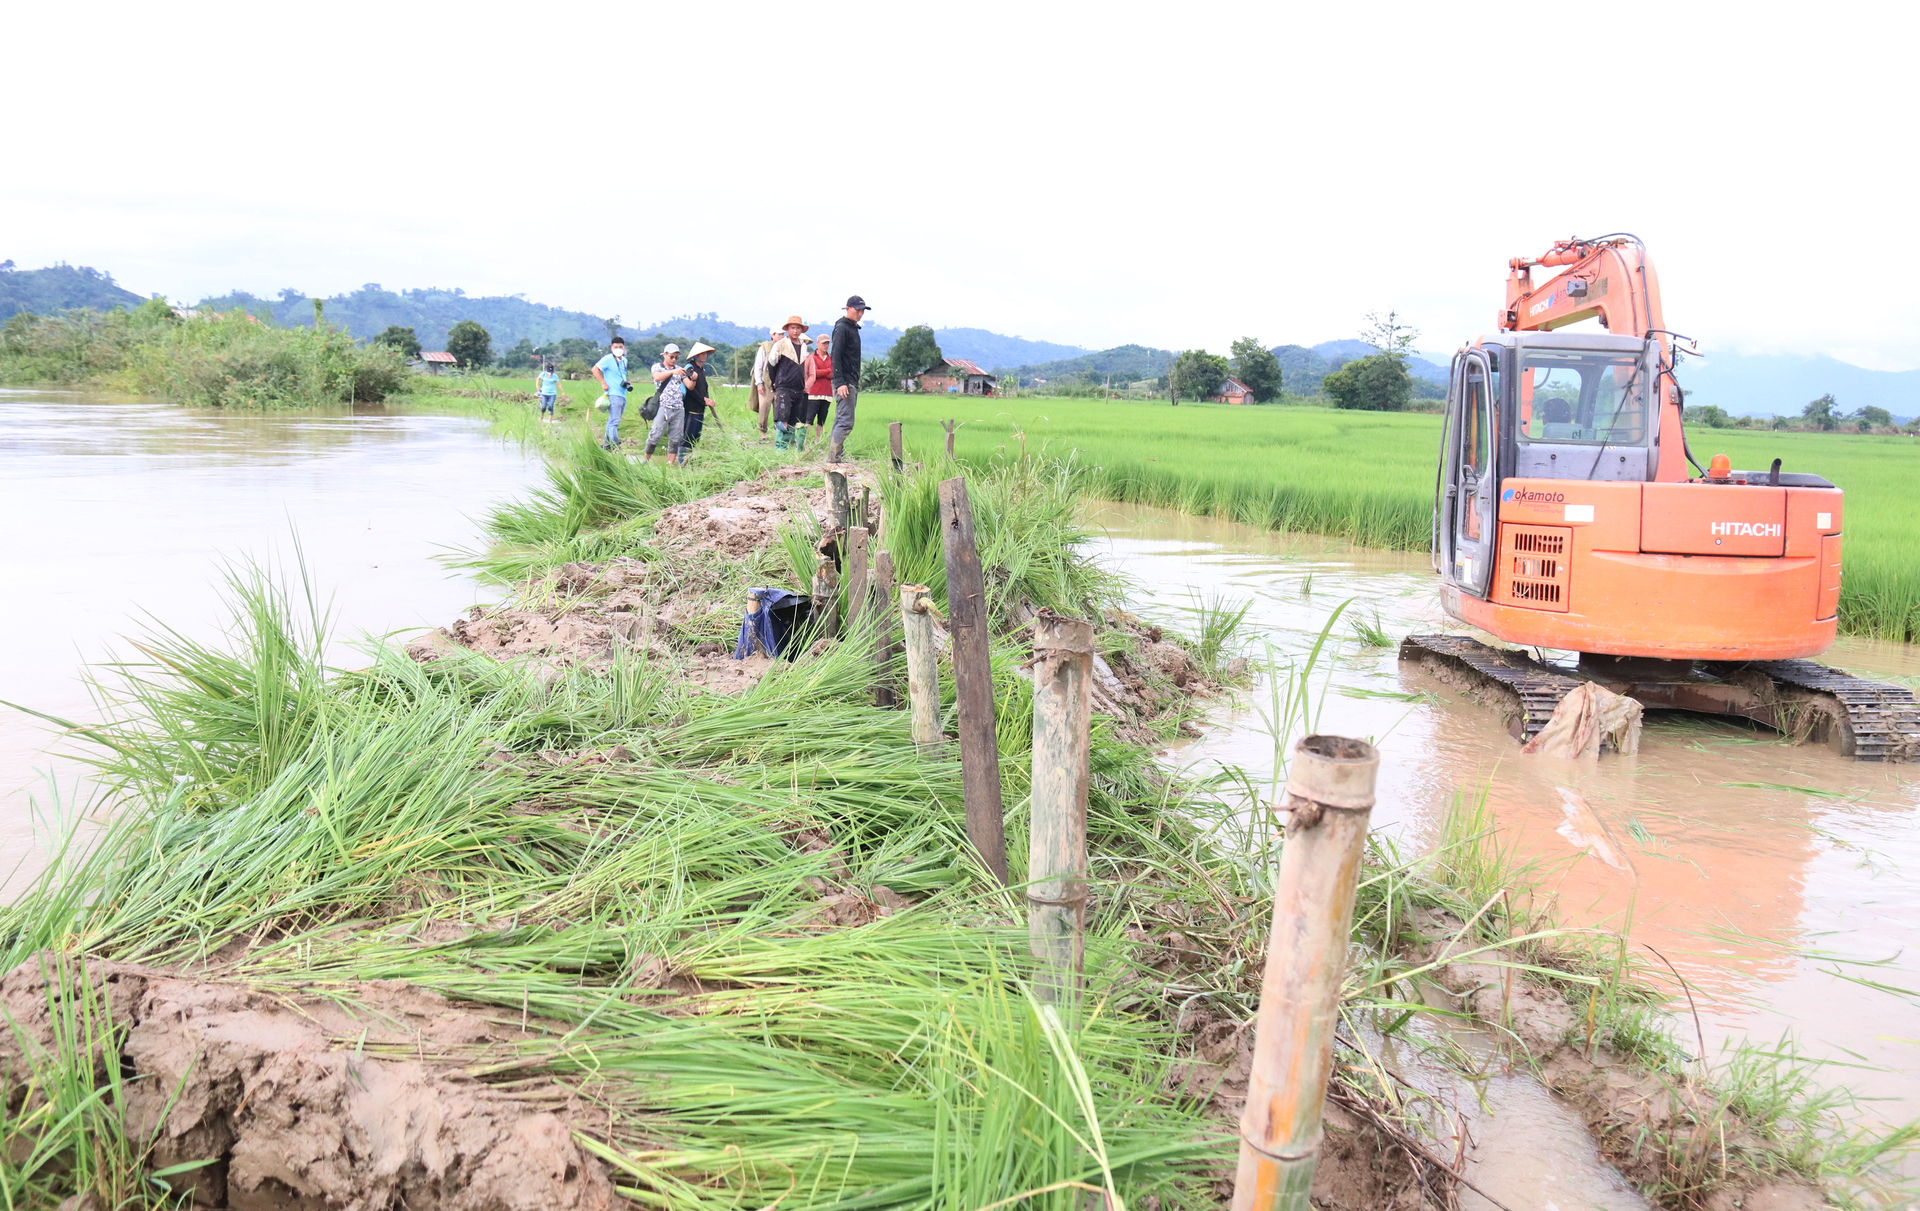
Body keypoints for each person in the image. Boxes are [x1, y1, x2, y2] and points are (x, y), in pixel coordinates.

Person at [829, 295, 870, 463]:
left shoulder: (853, 328)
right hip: (844, 381)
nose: (860, 313)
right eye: (857, 310)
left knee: (841, 419)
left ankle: (837, 455)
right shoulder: (842, 328)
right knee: (846, 422)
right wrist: (840, 382)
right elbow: (835, 356)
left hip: (851, 380)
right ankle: (833, 458)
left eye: (862, 311)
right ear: (847, 309)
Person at [767, 316, 812, 452]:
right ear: (787, 329)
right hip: (784, 386)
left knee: (793, 420)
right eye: (792, 328)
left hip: (798, 388)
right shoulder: (780, 344)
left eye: (798, 328)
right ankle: (780, 449)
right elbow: (772, 364)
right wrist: (775, 382)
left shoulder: (803, 346)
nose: (795, 331)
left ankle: (789, 448)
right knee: (782, 419)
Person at [644, 344, 691, 465]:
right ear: (665, 355)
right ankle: (645, 461)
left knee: (675, 439)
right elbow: (657, 377)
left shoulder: (679, 369)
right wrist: (672, 372)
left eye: (676, 357)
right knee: (655, 434)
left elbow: (690, 385)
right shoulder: (657, 367)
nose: (674, 360)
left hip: (678, 407)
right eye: (671, 357)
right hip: (663, 406)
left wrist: (693, 378)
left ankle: (670, 464)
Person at [681, 342, 721, 453]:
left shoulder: (702, 370)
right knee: (687, 437)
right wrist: (703, 400)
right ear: (696, 355)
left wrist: (706, 399)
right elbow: (690, 389)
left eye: (706, 353)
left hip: (700, 408)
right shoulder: (690, 368)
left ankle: (689, 461)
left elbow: (704, 388)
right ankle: (682, 460)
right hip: (690, 408)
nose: (704, 355)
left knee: (695, 438)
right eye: (702, 353)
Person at [592, 338, 631, 449]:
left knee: (612, 421)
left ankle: (606, 445)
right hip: (613, 393)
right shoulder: (608, 359)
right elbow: (595, 369)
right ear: (611, 348)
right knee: (614, 422)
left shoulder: (624, 360)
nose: (618, 349)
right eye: (615, 347)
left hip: (622, 394)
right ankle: (615, 445)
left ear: (623, 348)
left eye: (620, 347)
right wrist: (603, 382)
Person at [804, 332, 835, 448]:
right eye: (823, 343)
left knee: (821, 419)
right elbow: (813, 373)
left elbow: (832, 373)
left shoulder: (832, 358)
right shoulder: (811, 358)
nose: (826, 346)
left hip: (827, 393)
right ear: (818, 344)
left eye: (827, 343)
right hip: (813, 393)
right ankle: (804, 441)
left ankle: (817, 441)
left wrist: (822, 371)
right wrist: (826, 371)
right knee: (809, 418)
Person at [750, 334, 776, 434]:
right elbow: (758, 366)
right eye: (779, 334)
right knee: (764, 408)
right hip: (766, 383)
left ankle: (778, 432)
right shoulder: (764, 348)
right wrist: (759, 383)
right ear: (773, 335)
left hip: (779, 383)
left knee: (779, 409)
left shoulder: (784, 346)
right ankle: (763, 432)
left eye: (782, 334)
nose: (782, 336)